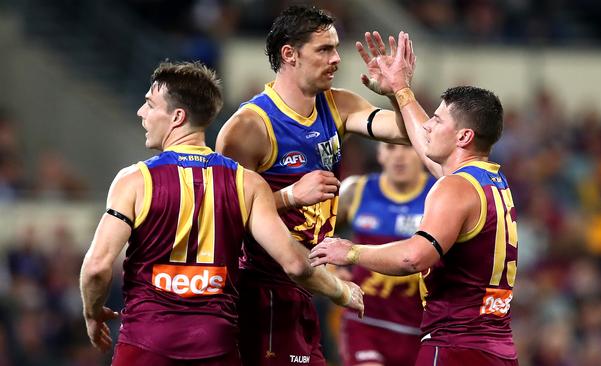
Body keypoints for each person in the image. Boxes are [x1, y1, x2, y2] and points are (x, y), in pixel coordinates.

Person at [79, 61, 363, 366]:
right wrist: (341, 292)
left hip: (146, 343)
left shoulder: (135, 181)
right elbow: (294, 263)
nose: (141, 112)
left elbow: (97, 267)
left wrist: (92, 312)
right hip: (216, 345)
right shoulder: (247, 183)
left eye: (150, 104)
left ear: (177, 117)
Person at [215, 6, 437, 366]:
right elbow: (221, 217)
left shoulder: (339, 105)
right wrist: (288, 196)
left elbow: (416, 137)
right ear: (289, 54)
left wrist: (398, 90)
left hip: (309, 287)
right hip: (263, 291)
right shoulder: (249, 128)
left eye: (336, 48)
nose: (337, 59)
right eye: (324, 49)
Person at [310, 33, 519, 366]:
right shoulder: (491, 181)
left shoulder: (454, 188)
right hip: (496, 347)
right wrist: (400, 90)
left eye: (438, 120)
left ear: (464, 136)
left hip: (454, 346)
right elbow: (427, 144)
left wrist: (348, 250)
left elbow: (413, 257)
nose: (429, 127)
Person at [336, 142, 436, 366]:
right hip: (365, 323)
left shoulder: (441, 194)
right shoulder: (355, 191)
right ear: (379, 154)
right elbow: (314, 235)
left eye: (408, 148)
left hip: (424, 331)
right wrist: (331, 271)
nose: (399, 156)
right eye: (391, 148)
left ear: (422, 152)